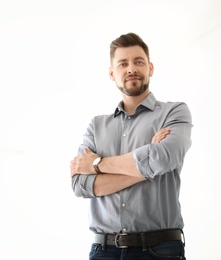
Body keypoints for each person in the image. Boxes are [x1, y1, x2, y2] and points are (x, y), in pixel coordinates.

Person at [70, 33, 192, 260]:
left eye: (138, 62)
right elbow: (80, 184)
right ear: (111, 73)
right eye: (123, 64)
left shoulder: (174, 112)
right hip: (103, 250)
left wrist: (97, 164)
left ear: (150, 68)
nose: (131, 69)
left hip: (159, 249)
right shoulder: (96, 126)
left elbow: (164, 158)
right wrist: (147, 165)